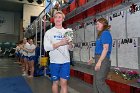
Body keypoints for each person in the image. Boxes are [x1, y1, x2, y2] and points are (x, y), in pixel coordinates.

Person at [44, 11, 73, 93]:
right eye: (56, 17)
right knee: (55, 82)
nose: (58, 19)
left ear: (63, 19)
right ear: (53, 19)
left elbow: (70, 48)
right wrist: (61, 43)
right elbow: (46, 47)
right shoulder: (49, 33)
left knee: (64, 83)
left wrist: (70, 44)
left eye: (60, 17)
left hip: (65, 61)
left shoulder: (67, 32)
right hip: (54, 61)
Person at [88, 18, 112, 93]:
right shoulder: (101, 34)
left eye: (98, 24)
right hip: (99, 58)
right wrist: (93, 59)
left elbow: (105, 49)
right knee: (96, 81)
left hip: (103, 60)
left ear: (103, 24)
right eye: (96, 24)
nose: (96, 26)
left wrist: (99, 62)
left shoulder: (105, 33)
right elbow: (99, 50)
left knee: (99, 81)